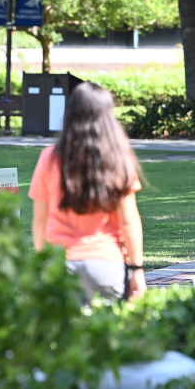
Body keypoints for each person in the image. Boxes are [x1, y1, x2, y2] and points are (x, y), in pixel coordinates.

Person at [29, 82, 146, 301]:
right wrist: (137, 269)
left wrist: (41, 264)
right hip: (106, 265)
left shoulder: (49, 158)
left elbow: (39, 220)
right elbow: (128, 220)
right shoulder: (118, 158)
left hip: (61, 265)